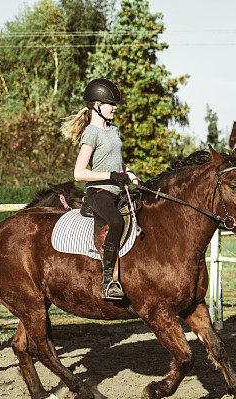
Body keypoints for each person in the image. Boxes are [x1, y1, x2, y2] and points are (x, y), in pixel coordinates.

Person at [62, 78, 139, 300]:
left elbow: (116, 162)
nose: (115, 107)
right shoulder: (91, 133)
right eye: (111, 104)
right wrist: (111, 176)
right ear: (97, 105)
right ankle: (108, 282)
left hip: (118, 190)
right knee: (116, 222)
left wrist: (130, 174)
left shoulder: (113, 130)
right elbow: (79, 173)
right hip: (98, 193)